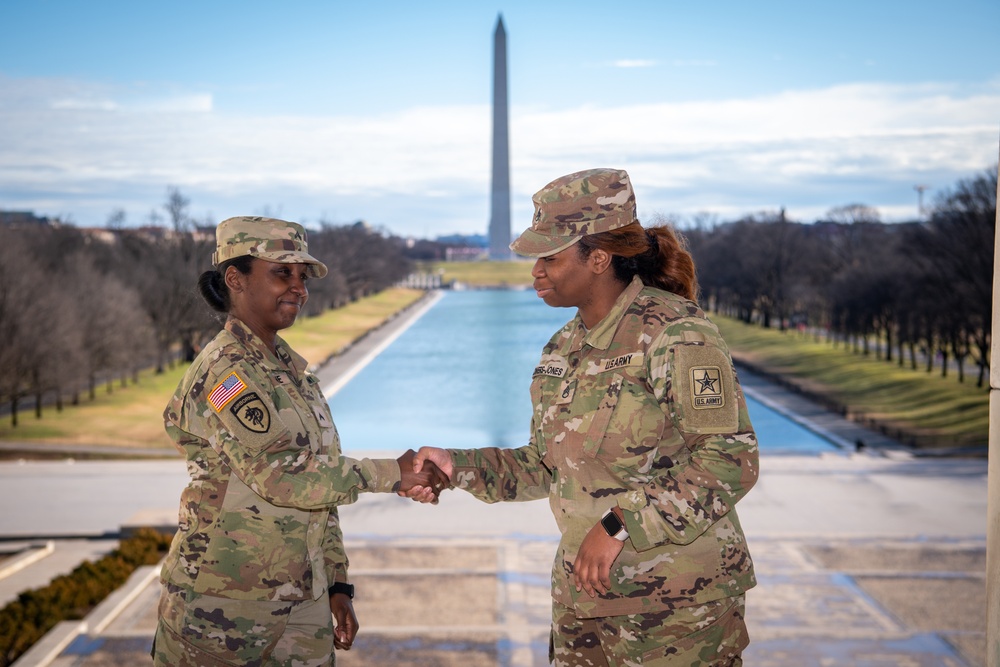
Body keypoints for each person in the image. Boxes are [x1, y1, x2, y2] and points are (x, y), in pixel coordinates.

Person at [412, 169, 759, 666]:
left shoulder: (676, 333)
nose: (536, 272)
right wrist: (456, 465)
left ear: (598, 258)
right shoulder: (564, 347)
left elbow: (730, 460)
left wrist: (621, 524)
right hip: (587, 598)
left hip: (678, 609)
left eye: (549, 258)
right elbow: (546, 465)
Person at [152, 215, 446, 666]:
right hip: (224, 606)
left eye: (302, 276)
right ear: (235, 279)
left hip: (302, 602)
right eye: (282, 272)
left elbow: (319, 487)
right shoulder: (225, 373)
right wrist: (394, 473)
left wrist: (337, 585)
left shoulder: (292, 373)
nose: (299, 288)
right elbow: (283, 477)